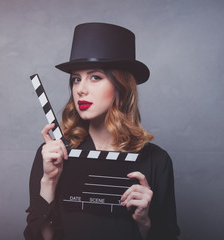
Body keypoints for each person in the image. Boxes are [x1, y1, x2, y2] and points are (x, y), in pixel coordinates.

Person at [24, 22, 180, 240]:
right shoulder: (53, 154)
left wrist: (145, 222)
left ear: (121, 87)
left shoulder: (156, 160)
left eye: (95, 77)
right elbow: (39, 238)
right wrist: (48, 182)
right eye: (76, 79)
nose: (81, 89)